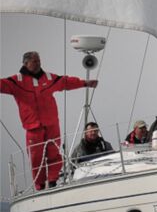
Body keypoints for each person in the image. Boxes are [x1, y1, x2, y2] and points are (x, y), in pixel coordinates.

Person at [1, 51, 96, 190]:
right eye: (34, 61)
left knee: (54, 154)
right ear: (26, 63)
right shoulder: (17, 81)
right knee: (36, 159)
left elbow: (66, 82)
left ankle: (52, 181)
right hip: (33, 127)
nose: (38, 63)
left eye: (39, 60)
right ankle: (39, 186)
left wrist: (85, 83)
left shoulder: (49, 78)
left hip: (51, 124)